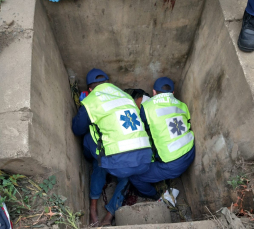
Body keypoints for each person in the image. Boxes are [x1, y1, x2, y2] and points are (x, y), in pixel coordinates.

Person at [72, 68, 153, 226]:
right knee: (128, 173)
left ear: (90, 89)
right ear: (108, 83)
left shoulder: (91, 101)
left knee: (94, 148)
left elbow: (77, 129)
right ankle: (110, 214)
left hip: (117, 163)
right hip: (145, 159)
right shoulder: (126, 96)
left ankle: (93, 208)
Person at [129, 77, 195, 198]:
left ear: (154, 92)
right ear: (173, 93)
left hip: (173, 164)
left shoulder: (147, 107)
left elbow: (141, 127)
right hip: (190, 153)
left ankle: (154, 196)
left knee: (134, 176)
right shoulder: (182, 105)